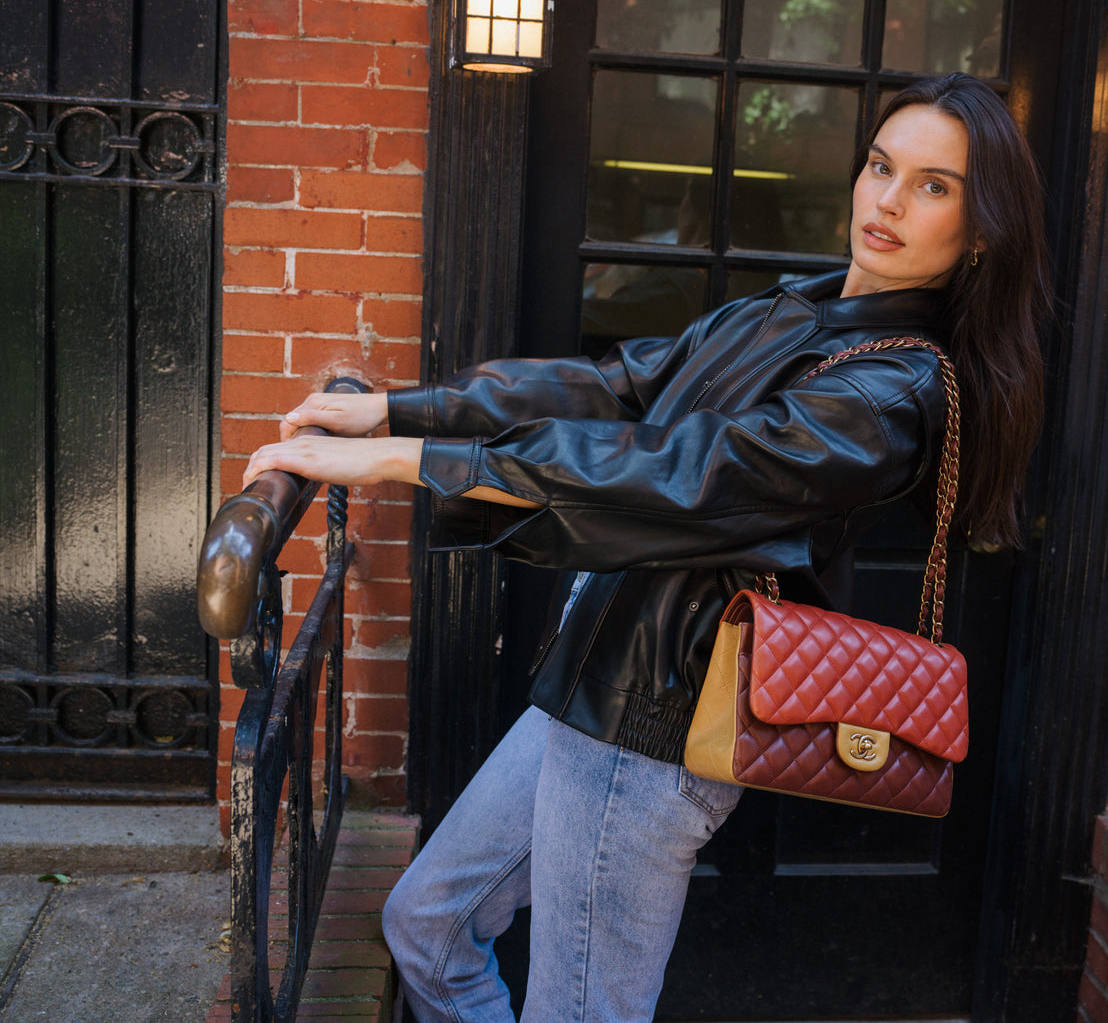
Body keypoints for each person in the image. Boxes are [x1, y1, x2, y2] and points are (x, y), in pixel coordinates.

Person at [242, 72, 1052, 1022]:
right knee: (430, 925)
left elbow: (677, 468)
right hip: (588, 689)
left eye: (934, 185)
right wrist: (396, 407)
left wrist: (416, 461)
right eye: (881, 166)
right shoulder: (800, 308)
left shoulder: (892, 395)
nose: (887, 200)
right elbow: (619, 386)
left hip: (651, 741)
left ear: (984, 227)